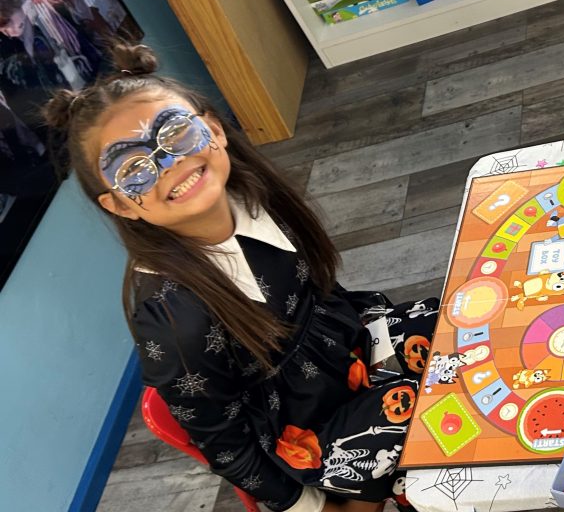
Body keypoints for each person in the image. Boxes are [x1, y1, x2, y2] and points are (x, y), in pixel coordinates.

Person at [43, 43, 438, 512]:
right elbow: (222, 441)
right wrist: (311, 506)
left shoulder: (252, 195)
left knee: (457, 325)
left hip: (347, 347)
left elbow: (320, 291)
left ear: (212, 130)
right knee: (430, 420)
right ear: (122, 204)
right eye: (135, 169)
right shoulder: (175, 320)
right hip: (307, 431)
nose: (169, 164)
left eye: (175, 135)